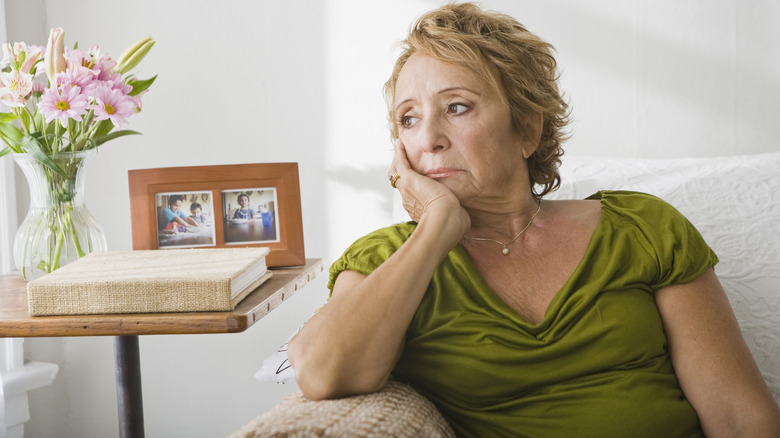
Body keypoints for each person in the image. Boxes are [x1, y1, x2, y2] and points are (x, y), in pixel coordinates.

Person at [287, 3, 780, 437]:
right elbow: (324, 373)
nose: (429, 137)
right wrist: (437, 227)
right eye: (408, 119)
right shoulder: (386, 261)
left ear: (527, 128)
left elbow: (741, 419)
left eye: (456, 107)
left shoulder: (644, 229)